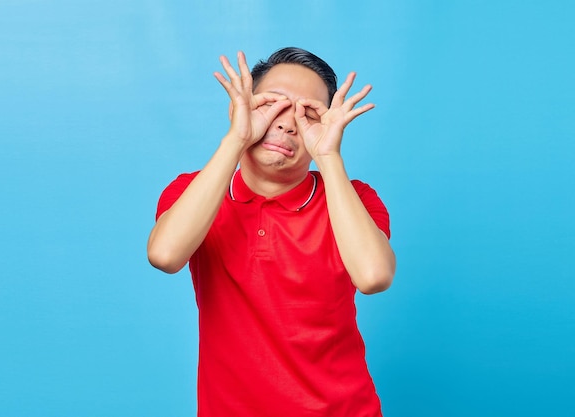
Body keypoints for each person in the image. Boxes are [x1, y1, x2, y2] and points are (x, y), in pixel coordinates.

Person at [147, 47, 396, 416]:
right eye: (274, 105)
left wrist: (328, 157)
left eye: (309, 113)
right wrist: (236, 137)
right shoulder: (194, 192)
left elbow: (374, 276)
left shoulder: (354, 198)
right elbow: (165, 255)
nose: (287, 123)